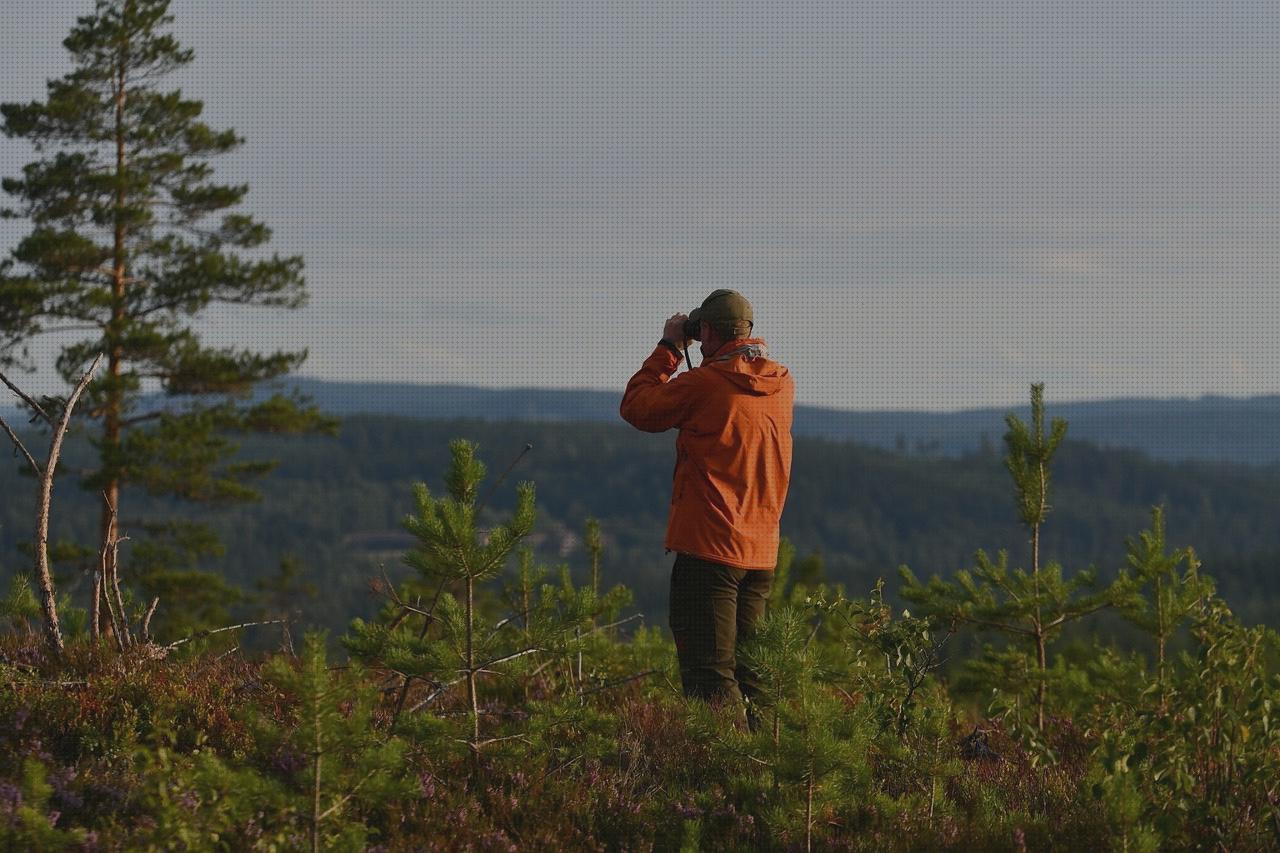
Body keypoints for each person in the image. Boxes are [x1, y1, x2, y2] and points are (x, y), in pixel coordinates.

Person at [619, 289, 795, 726]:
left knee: (709, 675)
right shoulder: (782, 384)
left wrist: (670, 348)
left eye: (702, 333)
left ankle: (720, 777)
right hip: (760, 555)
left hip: (709, 550)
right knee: (752, 674)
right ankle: (769, 770)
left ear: (709, 332)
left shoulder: (705, 384)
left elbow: (638, 408)